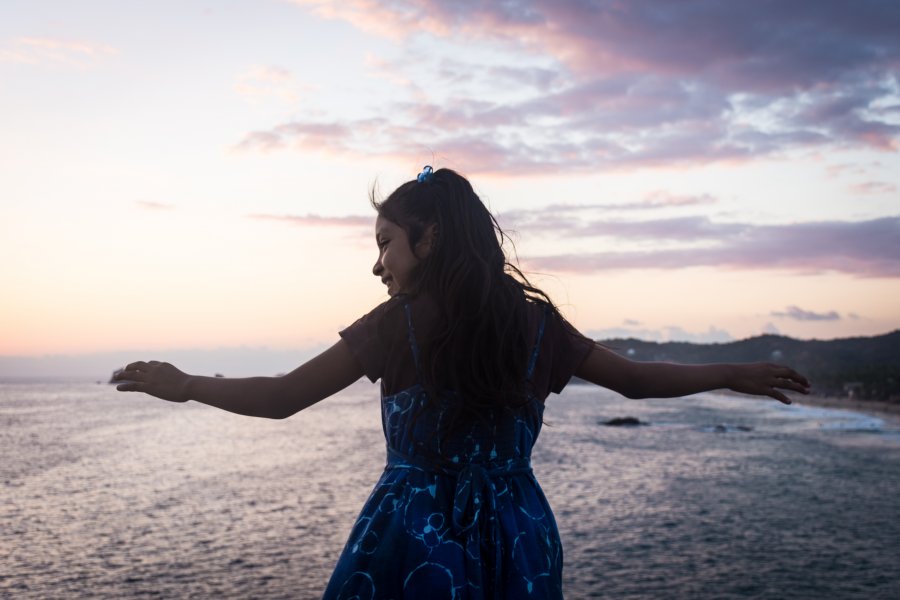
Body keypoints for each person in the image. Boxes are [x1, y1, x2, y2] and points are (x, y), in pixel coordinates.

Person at [115, 166, 810, 599]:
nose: (378, 263)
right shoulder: (532, 326)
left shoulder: (396, 326)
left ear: (432, 238)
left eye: (385, 241)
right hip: (516, 530)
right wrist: (730, 373)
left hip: (410, 532)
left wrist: (186, 385)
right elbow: (632, 381)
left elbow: (281, 398)